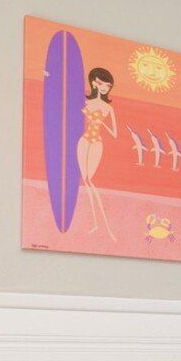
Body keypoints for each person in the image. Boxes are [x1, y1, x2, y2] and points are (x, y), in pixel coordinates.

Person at [78, 67, 119, 238]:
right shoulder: (85, 103)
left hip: (97, 143)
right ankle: (95, 223)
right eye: (102, 84)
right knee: (85, 181)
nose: (104, 88)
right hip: (84, 141)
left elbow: (115, 134)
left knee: (91, 180)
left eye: (108, 86)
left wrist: (103, 124)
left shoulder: (108, 109)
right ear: (94, 82)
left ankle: (106, 225)